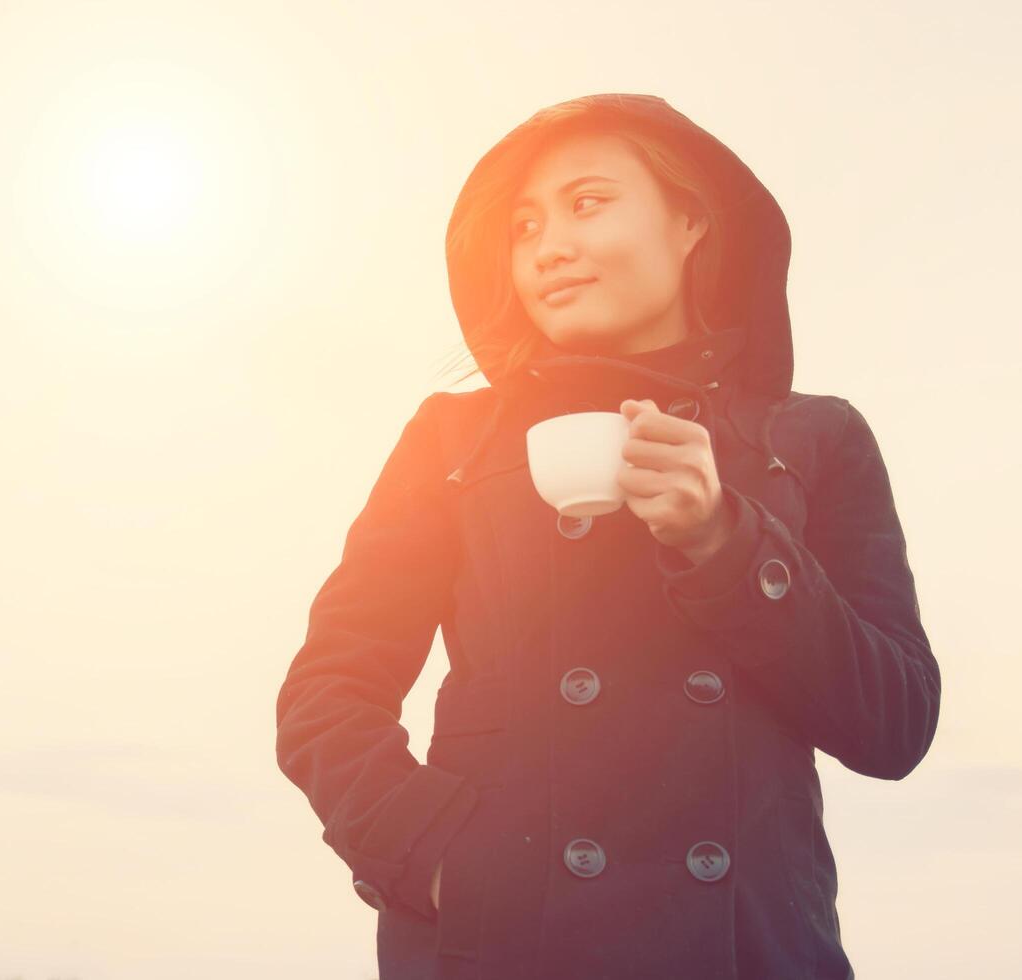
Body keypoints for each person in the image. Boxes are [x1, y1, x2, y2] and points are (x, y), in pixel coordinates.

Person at [275, 92, 940, 979]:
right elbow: (326, 694)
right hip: (501, 949)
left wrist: (730, 544)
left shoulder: (812, 439)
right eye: (521, 225)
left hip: (747, 955)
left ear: (691, 219)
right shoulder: (453, 438)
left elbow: (896, 722)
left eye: (587, 203)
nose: (548, 245)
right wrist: (440, 861)